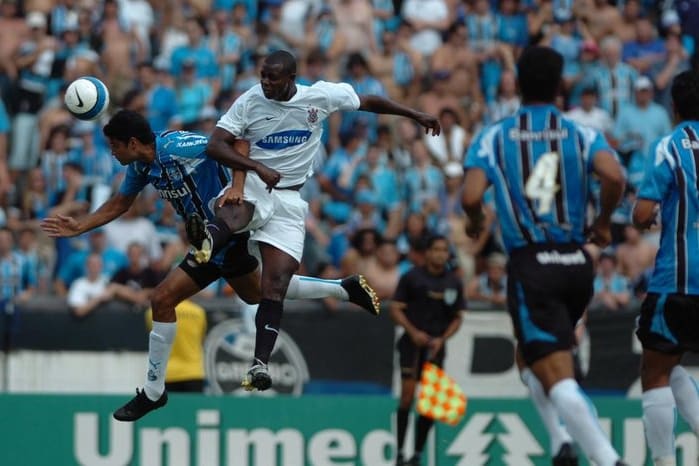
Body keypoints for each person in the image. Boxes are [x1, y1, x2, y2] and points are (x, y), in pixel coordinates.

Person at [40, 110, 381, 422]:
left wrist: (236, 186)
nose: (111, 153)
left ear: (132, 142)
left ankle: (154, 391)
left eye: (114, 146)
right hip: (206, 244)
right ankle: (344, 288)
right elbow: (120, 202)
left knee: (163, 299)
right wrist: (79, 225)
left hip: (227, 233)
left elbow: (233, 143)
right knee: (258, 292)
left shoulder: (177, 146)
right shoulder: (141, 167)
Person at [186, 49, 440, 392]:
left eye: (271, 78)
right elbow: (215, 146)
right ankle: (207, 240)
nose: (264, 82)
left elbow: (368, 101)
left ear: (291, 79)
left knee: (274, 285)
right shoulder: (249, 100)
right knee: (240, 206)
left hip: (290, 198)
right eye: (262, 75)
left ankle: (259, 365)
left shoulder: (319, 96)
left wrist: (414, 114)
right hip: (257, 182)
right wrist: (257, 167)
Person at [461, 46, 628, 466]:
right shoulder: (582, 133)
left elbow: (469, 195)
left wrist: (476, 220)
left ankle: (607, 458)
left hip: (531, 264)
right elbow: (614, 175)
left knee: (556, 375)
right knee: (534, 354)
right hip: (576, 264)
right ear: (560, 87)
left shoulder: (495, 135)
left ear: (516, 85)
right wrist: (605, 221)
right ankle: (559, 444)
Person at [633, 69, 699, 466]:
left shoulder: (670, 146)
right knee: (667, 361)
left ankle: (661, 461)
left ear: (673, 108)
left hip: (678, 278)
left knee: (655, 367)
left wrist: (649, 220)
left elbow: (642, 214)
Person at [389, 235, 464, 466]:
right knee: (407, 395)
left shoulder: (453, 282)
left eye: (444, 250)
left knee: (430, 400)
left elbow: (458, 317)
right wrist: (413, 332)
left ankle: (417, 453)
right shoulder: (412, 277)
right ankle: (400, 451)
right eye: (436, 249)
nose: (440, 254)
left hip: (435, 347)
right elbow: (395, 309)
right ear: (427, 252)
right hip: (412, 343)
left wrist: (443, 339)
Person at [145, 299, 207, 393]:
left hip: (164, 373)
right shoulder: (198, 312)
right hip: (194, 372)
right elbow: (201, 339)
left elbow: (154, 337)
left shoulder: (152, 312)